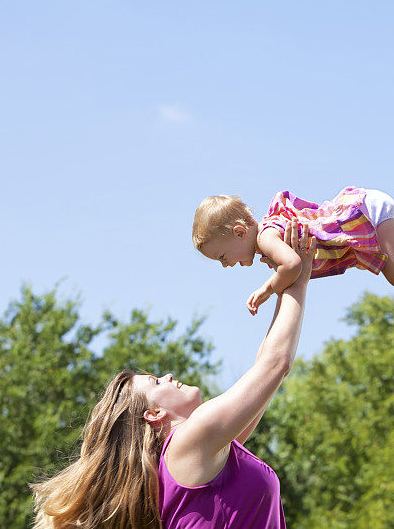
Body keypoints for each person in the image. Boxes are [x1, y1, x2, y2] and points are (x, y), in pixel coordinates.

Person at [32, 221, 316, 528]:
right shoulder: (191, 441)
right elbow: (275, 365)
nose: (168, 376)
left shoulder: (199, 453)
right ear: (153, 414)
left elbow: (264, 369)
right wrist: (298, 276)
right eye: (156, 382)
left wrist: (286, 279)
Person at [192, 170, 394, 315]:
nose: (226, 265)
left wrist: (267, 288)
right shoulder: (270, 232)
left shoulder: (267, 236)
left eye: (222, 256)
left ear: (239, 232)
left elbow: (293, 264)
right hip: (366, 210)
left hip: (363, 214)